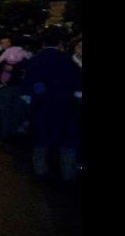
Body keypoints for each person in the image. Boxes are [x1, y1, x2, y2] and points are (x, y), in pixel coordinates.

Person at [20, 27, 82, 183]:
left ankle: (40, 170)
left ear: (42, 42)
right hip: (65, 107)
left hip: (41, 106)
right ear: (60, 43)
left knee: (41, 140)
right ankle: (68, 173)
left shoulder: (36, 60)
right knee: (67, 142)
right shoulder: (67, 60)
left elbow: (27, 89)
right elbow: (77, 86)